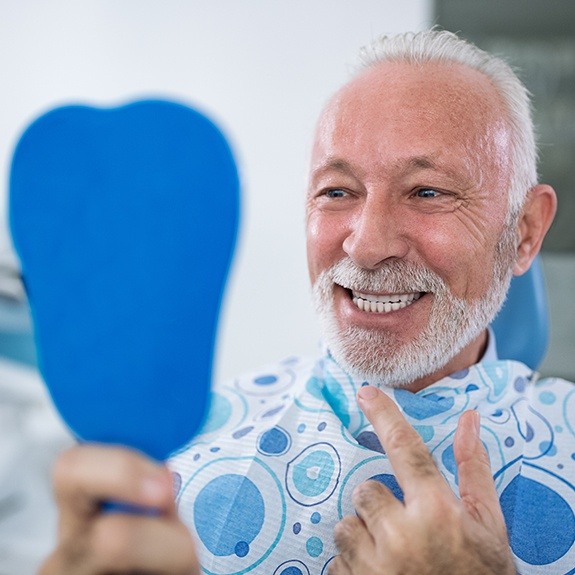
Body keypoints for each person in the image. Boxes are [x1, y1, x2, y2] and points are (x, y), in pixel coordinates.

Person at [40, 29, 572, 575]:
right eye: (337, 191)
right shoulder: (174, 466)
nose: (367, 246)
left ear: (525, 232)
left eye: (428, 192)